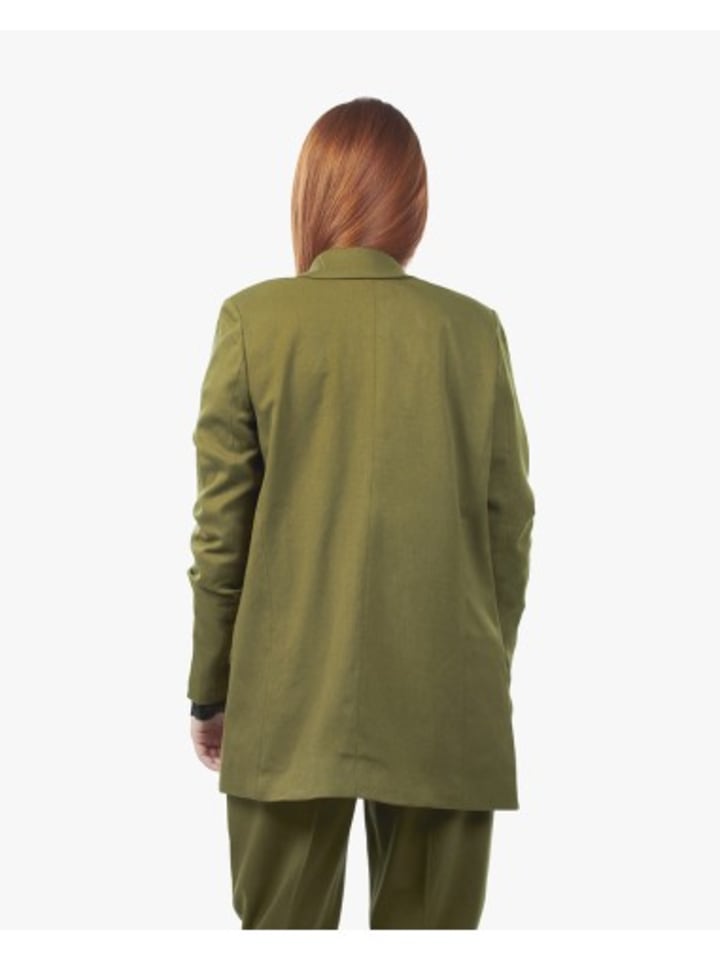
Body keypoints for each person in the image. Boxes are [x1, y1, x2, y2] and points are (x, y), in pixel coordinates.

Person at [186, 96, 535, 929]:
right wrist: (480, 670)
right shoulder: (473, 332)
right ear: (414, 205)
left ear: (311, 196)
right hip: (445, 703)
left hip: (286, 708)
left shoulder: (254, 322)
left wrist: (210, 691)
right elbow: (509, 527)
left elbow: (221, 533)